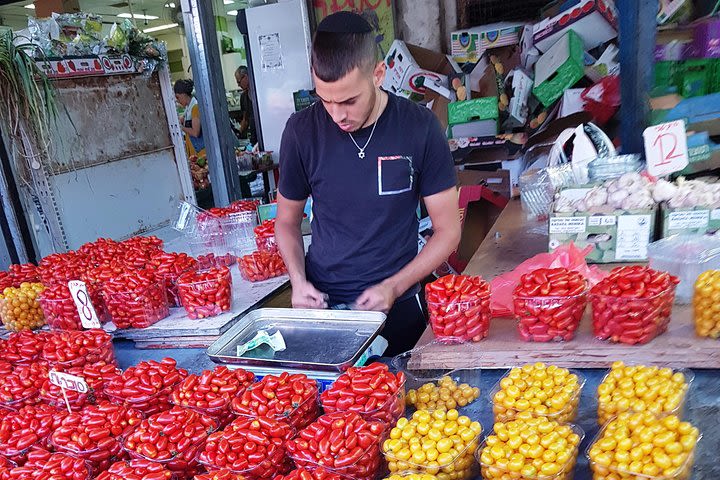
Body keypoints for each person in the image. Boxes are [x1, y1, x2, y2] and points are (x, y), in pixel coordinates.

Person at [275, 11, 461, 356]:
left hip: (398, 307)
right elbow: (286, 222)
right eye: (325, 99)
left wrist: (394, 286)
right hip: (324, 309)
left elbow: (448, 231)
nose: (337, 115)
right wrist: (298, 282)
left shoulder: (418, 128)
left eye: (348, 100)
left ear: (378, 74)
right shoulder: (302, 132)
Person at [174, 79, 205, 157]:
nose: (178, 101)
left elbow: (195, 133)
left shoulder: (195, 107)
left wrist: (181, 127)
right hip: (194, 152)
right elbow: (183, 117)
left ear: (184, 94)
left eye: (178, 97)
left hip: (201, 153)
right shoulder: (188, 107)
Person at [235, 66, 257, 145]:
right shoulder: (243, 97)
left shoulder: (259, 91)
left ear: (246, 77)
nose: (238, 85)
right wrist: (238, 133)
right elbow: (245, 119)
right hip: (254, 137)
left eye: (239, 82)